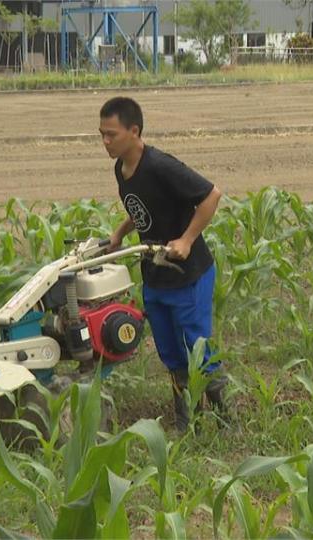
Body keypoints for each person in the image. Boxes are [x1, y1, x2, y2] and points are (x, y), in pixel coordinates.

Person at [99, 96, 227, 432]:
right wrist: (120, 233)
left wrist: (186, 240)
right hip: (155, 273)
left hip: (189, 274)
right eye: (101, 134)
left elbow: (211, 195)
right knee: (170, 351)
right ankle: (187, 421)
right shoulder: (121, 168)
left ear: (134, 131)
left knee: (198, 348)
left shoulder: (160, 165)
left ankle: (224, 418)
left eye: (111, 134)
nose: (105, 142)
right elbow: (142, 207)